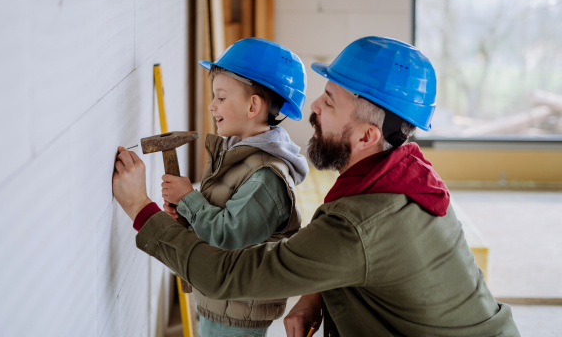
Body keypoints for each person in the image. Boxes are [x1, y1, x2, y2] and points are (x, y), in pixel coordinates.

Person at [113, 36, 520, 336]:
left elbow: (228, 274)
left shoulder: (358, 224)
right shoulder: (406, 177)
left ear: (366, 137)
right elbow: (368, 260)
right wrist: (316, 294)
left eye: (330, 101)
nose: (312, 107)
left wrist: (140, 208)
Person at [130, 38, 308, 337]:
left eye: (221, 97)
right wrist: (187, 217)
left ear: (253, 105)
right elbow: (218, 215)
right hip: (221, 300)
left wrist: (188, 197)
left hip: (239, 311)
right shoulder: (235, 154)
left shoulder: (267, 177)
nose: (212, 106)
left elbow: (228, 234)